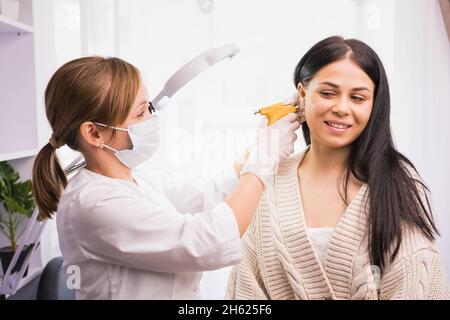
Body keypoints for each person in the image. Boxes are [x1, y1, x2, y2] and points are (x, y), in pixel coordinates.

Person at [31, 56, 300, 299]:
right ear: (93, 134)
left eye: (148, 107)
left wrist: (261, 142)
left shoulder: (138, 180)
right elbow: (207, 240)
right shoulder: (94, 203)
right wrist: (265, 157)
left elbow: (209, 191)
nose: (152, 118)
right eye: (140, 113)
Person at [226, 36, 450, 300]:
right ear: (301, 94)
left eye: (357, 98)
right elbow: (245, 290)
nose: (342, 108)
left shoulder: (396, 181)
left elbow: (413, 284)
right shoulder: (267, 181)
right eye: (328, 93)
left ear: (373, 104)